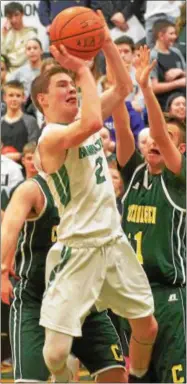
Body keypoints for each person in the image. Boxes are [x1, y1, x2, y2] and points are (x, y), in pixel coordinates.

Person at [31, 12, 157, 383]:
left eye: (72, 84)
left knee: (147, 329)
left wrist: (103, 41)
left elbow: (121, 88)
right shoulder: (50, 137)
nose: (71, 88)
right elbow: (88, 124)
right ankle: (64, 372)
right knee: (55, 354)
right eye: (61, 85)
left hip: (113, 242)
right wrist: (83, 69)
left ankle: (134, 376)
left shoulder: (81, 117)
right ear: (42, 99)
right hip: (78, 248)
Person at [1, 143, 128, 383]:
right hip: (36, 300)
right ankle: (60, 374)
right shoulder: (32, 189)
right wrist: (2, 271)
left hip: (83, 301)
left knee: (116, 373)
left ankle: (62, 373)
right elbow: (9, 229)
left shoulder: (88, 189)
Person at [114, 45, 186, 383]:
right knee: (139, 378)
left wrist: (145, 87)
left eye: (167, 138)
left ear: (180, 148)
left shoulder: (179, 177)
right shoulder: (134, 174)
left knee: (173, 375)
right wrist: (117, 77)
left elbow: (156, 131)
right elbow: (123, 127)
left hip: (170, 295)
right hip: (133, 295)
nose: (155, 141)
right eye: (153, 140)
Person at [150, 19, 186, 111]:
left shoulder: (176, 52)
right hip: (164, 107)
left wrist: (180, 72)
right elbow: (153, 87)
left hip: (183, 105)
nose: (175, 36)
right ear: (161, 35)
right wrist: (178, 83)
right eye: (171, 34)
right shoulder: (152, 56)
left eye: (175, 33)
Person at [1, 80, 39, 162]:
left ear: (23, 98)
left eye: (18, 96)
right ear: (4, 98)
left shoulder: (30, 121)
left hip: (25, 168)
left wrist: (20, 155)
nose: (14, 99)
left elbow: (34, 148)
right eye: (11, 95)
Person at [1, 2, 37, 72]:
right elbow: (2, 57)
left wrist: (8, 58)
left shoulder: (31, 34)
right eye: (10, 16)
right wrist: (3, 36)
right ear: (7, 18)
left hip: (25, 72)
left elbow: (19, 60)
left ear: (22, 14)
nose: (14, 20)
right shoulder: (5, 33)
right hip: (6, 73)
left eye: (16, 15)